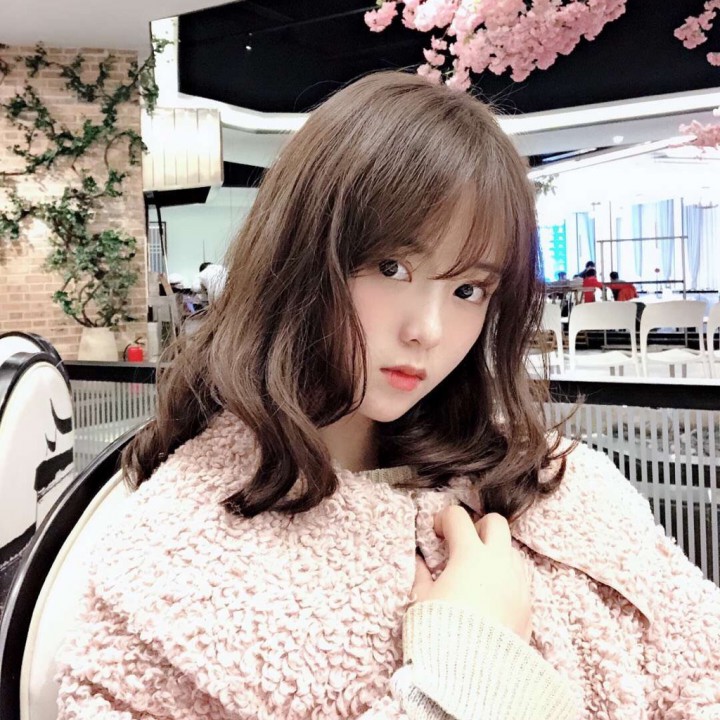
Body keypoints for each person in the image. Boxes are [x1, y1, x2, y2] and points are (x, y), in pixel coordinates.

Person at [56, 72, 720, 720]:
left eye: (468, 290)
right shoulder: (167, 572)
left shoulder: (564, 483)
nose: (427, 330)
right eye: (391, 267)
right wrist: (467, 680)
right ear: (297, 255)